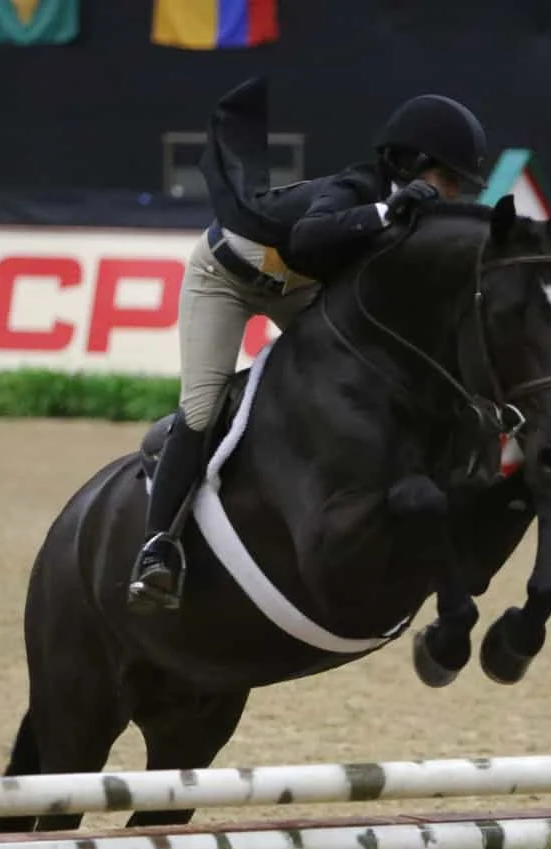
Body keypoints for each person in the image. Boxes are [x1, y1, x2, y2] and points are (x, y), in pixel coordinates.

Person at [126, 90, 491, 614]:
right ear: (415, 164)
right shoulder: (359, 187)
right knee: (203, 408)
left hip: (294, 287)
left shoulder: (417, 214)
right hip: (225, 277)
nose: (454, 193)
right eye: (449, 179)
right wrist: (387, 210)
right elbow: (307, 238)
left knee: (357, 372)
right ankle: (158, 547)